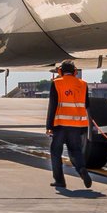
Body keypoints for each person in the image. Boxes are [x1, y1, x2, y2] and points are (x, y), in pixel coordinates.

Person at [45, 60, 93, 190]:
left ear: (60, 71)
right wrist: (84, 127)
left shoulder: (56, 83)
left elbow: (52, 106)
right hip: (76, 126)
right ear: (75, 72)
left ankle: (59, 180)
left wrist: (49, 126)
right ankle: (82, 170)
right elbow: (86, 104)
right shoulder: (83, 85)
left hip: (60, 125)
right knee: (75, 150)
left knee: (55, 152)